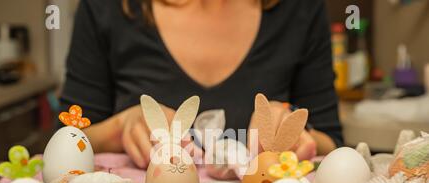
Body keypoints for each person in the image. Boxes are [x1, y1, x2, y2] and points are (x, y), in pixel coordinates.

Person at [60, 0, 343, 169]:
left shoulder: (300, 9)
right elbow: (65, 141)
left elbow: (333, 143)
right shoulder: (105, 8)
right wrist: (120, 127)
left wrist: (291, 126)